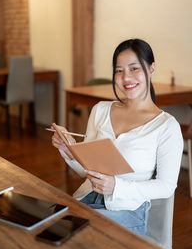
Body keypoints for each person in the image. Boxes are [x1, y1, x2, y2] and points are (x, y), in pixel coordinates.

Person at [52, 38, 183, 237]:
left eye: (134, 68)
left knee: (76, 234)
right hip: (86, 199)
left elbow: (166, 186)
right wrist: (69, 149)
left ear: (151, 69)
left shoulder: (166, 126)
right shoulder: (100, 110)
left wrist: (117, 187)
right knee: (48, 222)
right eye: (119, 70)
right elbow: (86, 171)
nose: (126, 77)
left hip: (127, 211)